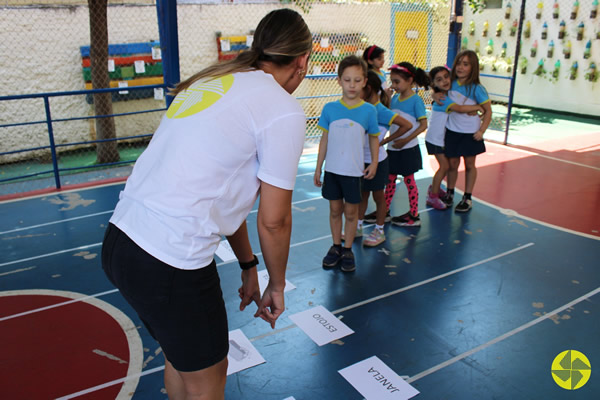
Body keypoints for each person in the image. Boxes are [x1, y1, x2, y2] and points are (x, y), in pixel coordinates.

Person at [101, 9, 312, 400]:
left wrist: (250, 267)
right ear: (302, 62)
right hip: (170, 262)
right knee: (208, 381)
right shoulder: (281, 108)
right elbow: (274, 221)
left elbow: (218, 195)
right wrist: (277, 285)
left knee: (182, 362)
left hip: (121, 242)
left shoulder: (216, 80)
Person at [313, 55, 379, 272]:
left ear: (365, 82)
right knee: (334, 210)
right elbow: (324, 140)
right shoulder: (330, 109)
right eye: (347, 80)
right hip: (333, 171)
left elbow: (373, 138)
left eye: (357, 80)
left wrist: (375, 163)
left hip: (353, 172)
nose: (352, 85)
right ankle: (336, 246)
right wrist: (318, 167)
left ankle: (348, 248)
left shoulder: (369, 110)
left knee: (352, 213)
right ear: (339, 80)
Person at [435, 50, 492, 212]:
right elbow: (437, 89)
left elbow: (488, 111)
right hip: (452, 131)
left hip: (470, 133)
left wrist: (481, 131)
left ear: (472, 67)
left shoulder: (477, 88)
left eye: (465, 64)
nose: (460, 67)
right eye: (459, 63)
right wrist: (434, 94)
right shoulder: (450, 82)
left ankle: (467, 197)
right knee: (452, 164)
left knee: (469, 164)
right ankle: (450, 192)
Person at [359, 70, 411, 247]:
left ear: (369, 88)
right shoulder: (361, 108)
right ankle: (358, 226)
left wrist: (386, 140)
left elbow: (407, 125)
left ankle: (379, 231)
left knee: (378, 196)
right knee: (362, 195)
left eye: (360, 86)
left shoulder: (381, 111)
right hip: (361, 160)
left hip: (378, 161)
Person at [377, 62, 430, 227]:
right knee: (390, 179)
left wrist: (406, 140)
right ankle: (384, 211)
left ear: (410, 81)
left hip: (407, 148)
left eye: (397, 82)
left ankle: (414, 215)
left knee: (409, 180)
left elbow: (423, 125)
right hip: (393, 148)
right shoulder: (394, 99)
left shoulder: (416, 101)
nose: (394, 85)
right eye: (392, 81)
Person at [425, 66, 485, 210]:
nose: (445, 81)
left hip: (441, 138)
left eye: (446, 77)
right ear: (434, 83)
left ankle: (435, 189)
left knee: (451, 166)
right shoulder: (443, 98)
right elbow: (459, 108)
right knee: (445, 166)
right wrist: (477, 107)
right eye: (439, 79)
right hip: (436, 139)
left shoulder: (449, 92)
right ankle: (432, 196)